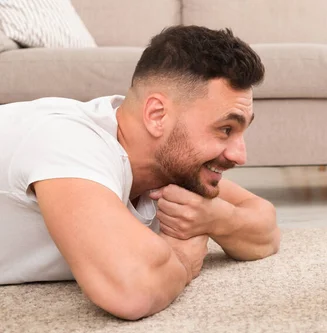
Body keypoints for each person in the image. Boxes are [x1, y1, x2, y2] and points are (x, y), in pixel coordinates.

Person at [0, 25, 280, 320]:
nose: (241, 156)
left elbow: (266, 227)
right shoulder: (68, 142)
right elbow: (129, 290)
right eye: (226, 129)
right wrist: (182, 258)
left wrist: (215, 218)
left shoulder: (169, 163)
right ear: (157, 115)